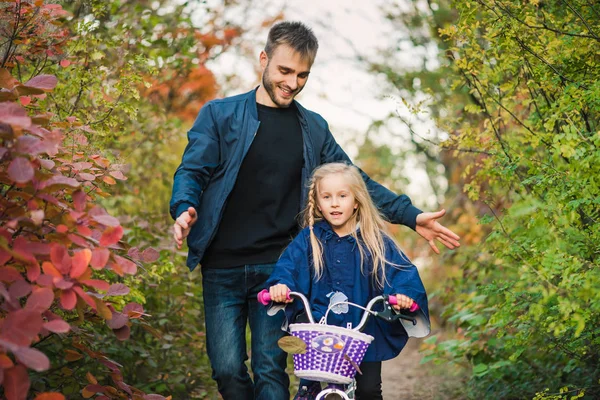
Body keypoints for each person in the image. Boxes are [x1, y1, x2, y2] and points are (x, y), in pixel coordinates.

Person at [170, 21, 459, 400]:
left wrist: (411, 215)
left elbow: (357, 182)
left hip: (279, 268)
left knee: (271, 369)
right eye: (284, 71)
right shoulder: (220, 115)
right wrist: (185, 205)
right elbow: (194, 168)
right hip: (222, 265)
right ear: (264, 59)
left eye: (302, 74)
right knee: (226, 370)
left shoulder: (313, 128)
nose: (292, 82)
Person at [266, 162, 429, 400]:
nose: (334, 203)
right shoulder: (309, 239)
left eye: (342, 196)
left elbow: (400, 271)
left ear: (356, 201)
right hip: (320, 331)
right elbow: (288, 267)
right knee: (308, 387)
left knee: (370, 390)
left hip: (364, 332)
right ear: (318, 203)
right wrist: (281, 287)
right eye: (327, 196)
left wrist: (404, 295)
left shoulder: (374, 239)